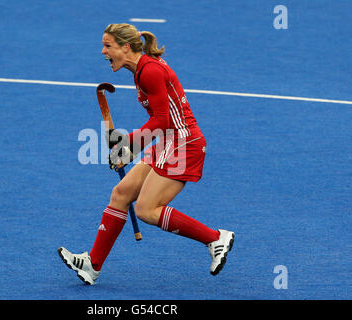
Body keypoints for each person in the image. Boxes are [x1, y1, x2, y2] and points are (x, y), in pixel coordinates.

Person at [58, 23, 234, 285]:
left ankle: (215, 238)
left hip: (184, 144)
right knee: (121, 194)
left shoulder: (149, 71)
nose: (103, 52)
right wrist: (127, 146)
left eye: (108, 46)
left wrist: (129, 145)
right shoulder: (141, 69)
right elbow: (159, 120)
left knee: (146, 209)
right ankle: (92, 264)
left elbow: (162, 120)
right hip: (167, 142)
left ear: (125, 47)